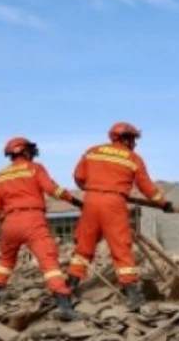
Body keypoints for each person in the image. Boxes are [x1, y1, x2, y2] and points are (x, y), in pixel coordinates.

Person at [67, 122, 172, 310]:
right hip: (114, 204)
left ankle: (70, 287)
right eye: (133, 140)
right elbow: (146, 186)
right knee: (120, 248)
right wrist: (163, 203)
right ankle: (131, 293)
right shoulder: (132, 158)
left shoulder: (93, 151)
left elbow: (78, 176)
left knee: (84, 246)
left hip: (90, 201)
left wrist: (94, 188)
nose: (135, 144)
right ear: (127, 139)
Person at [0, 137, 82, 321]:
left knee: (5, 262)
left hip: (10, 223)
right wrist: (75, 201)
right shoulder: (34, 168)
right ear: (25, 151)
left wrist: (7, 217)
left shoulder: (0, 176)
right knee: (49, 262)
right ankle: (63, 304)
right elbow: (52, 189)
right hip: (32, 219)